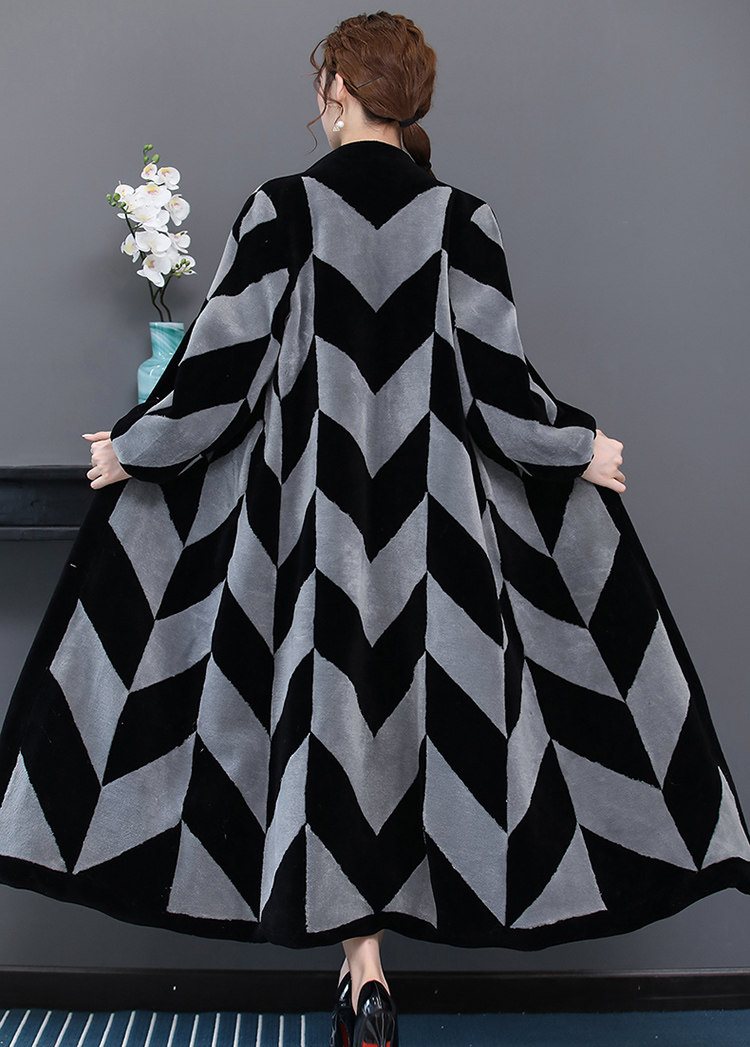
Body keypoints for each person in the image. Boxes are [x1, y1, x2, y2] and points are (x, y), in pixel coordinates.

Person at [0, 11, 749, 1047]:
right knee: (408, 733)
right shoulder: (463, 221)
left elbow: (218, 375)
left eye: (323, 82)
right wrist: (578, 447)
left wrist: (134, 446)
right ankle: (369, 967)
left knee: (327, 728)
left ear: (339, 91)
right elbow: (501, 391)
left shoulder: (280, 210)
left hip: (307, 539)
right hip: (438, 544)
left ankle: (363, 966)